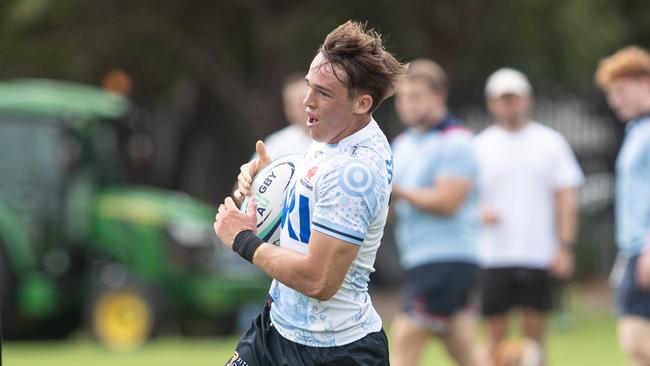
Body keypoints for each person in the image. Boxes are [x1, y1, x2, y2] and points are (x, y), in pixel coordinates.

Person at [214, 20, 407, 366]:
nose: (307, 101)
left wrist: (243, 241)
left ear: (362, 103)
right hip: (276, 329)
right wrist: (266, 182)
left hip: (334, 352)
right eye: (308, 86)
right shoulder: (332, 137)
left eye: (324, 93)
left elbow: (319, 280)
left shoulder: (354, 172)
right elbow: (311, 203)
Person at [474, 68, 584, 363]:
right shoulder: (480, 146)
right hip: (493, 253)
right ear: (491, 103)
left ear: (527, 100)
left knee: (534, 335)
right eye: (503, 99)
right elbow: (466, 198)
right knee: (494, 334)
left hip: (538, 252)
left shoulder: (551, 143)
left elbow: (566, 198)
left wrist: (565, 246)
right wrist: (478, 212)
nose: (509, 105)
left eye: (514, 98)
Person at [389, 59, 484, 366]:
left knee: (405, 334)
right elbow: (392, 205)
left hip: (448, 257)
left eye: (415, 97)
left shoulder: (456, 140)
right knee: (460, 346)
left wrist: (398, 193)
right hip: (418, 257)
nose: (407, 105)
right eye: (403, 98)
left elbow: (448, 201)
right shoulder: (401, 144)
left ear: (439, 96)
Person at [595, 46, 650, 366]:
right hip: (632, 249)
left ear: (645, 82)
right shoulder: (636, 130)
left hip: (644, 247)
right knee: (634, 347)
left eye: (620, 90)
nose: (614, 100)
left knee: (635, 338)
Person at [258, 72, 313, 158]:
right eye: (291, 104)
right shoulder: (276, 144)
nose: (297, 109)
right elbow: (255, 170)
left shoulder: (335, 137)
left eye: (301, 101)